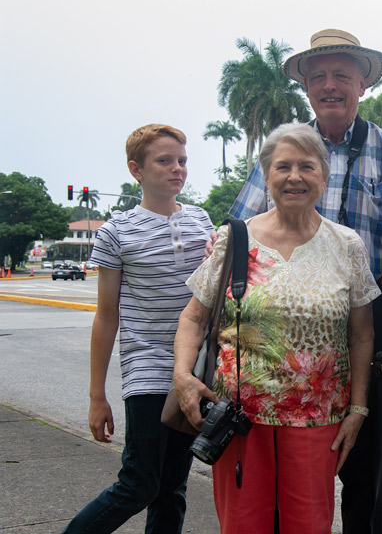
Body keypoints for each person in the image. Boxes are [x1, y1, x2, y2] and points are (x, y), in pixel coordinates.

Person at [228, 28, 382, 533]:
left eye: (341, 75)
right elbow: (237, 237)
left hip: (365, 310)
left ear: (363, 83)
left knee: (364, 451)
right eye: (318, 77)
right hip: (284, 314)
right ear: (307, 88)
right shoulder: (283, 152)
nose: (330, 85)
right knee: (281, 452)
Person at [174, 123, 379, 532]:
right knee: (243, 525)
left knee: (309, 525)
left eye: (307, 166)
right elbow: (194, 317)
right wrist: (182, 376)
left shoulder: (347, 245)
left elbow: (361, 334)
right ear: (266, 177)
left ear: (324, 175)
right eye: (283, 167)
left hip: (316, 419)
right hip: (238, 420)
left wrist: (358, 408)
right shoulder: (234, 238)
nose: (295, 177)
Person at [62, 124, 214, 534]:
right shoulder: (117, 231)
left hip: (195, 371)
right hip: (148, 369)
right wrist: (98, 395)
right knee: (138, 484)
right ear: (137, 169)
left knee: (172, 488)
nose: (177, 169)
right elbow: (106, 315)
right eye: (164, 161)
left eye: (182, 161)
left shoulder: (202, 222)